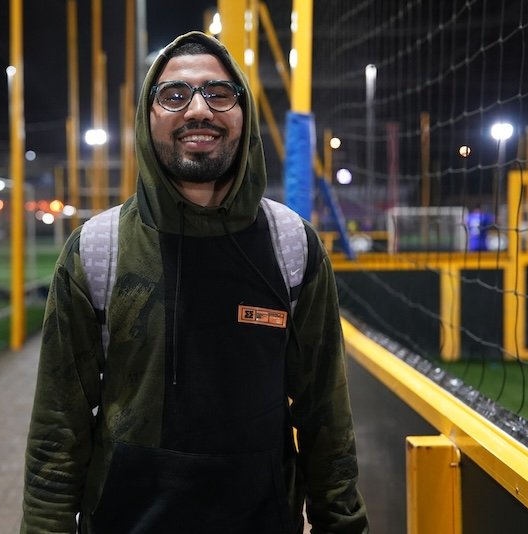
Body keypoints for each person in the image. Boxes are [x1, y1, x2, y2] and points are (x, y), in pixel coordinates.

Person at [22, 31, 368, 533]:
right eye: (174, 95)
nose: (199, 110)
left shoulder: (292, 246)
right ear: (147, 117)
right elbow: (58, 428)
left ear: (244, 114)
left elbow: (326, 418)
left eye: (219, 93)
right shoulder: (97, 249)